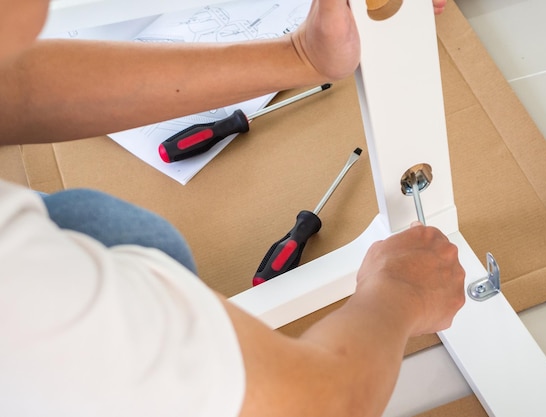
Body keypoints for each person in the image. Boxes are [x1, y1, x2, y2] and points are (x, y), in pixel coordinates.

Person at [0, 0, 463, 416]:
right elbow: (313, 403)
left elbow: (14, 83)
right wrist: (402, 293)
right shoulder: (25, 291)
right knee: (142, 253)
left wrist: (303, 54)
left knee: (113, 229)